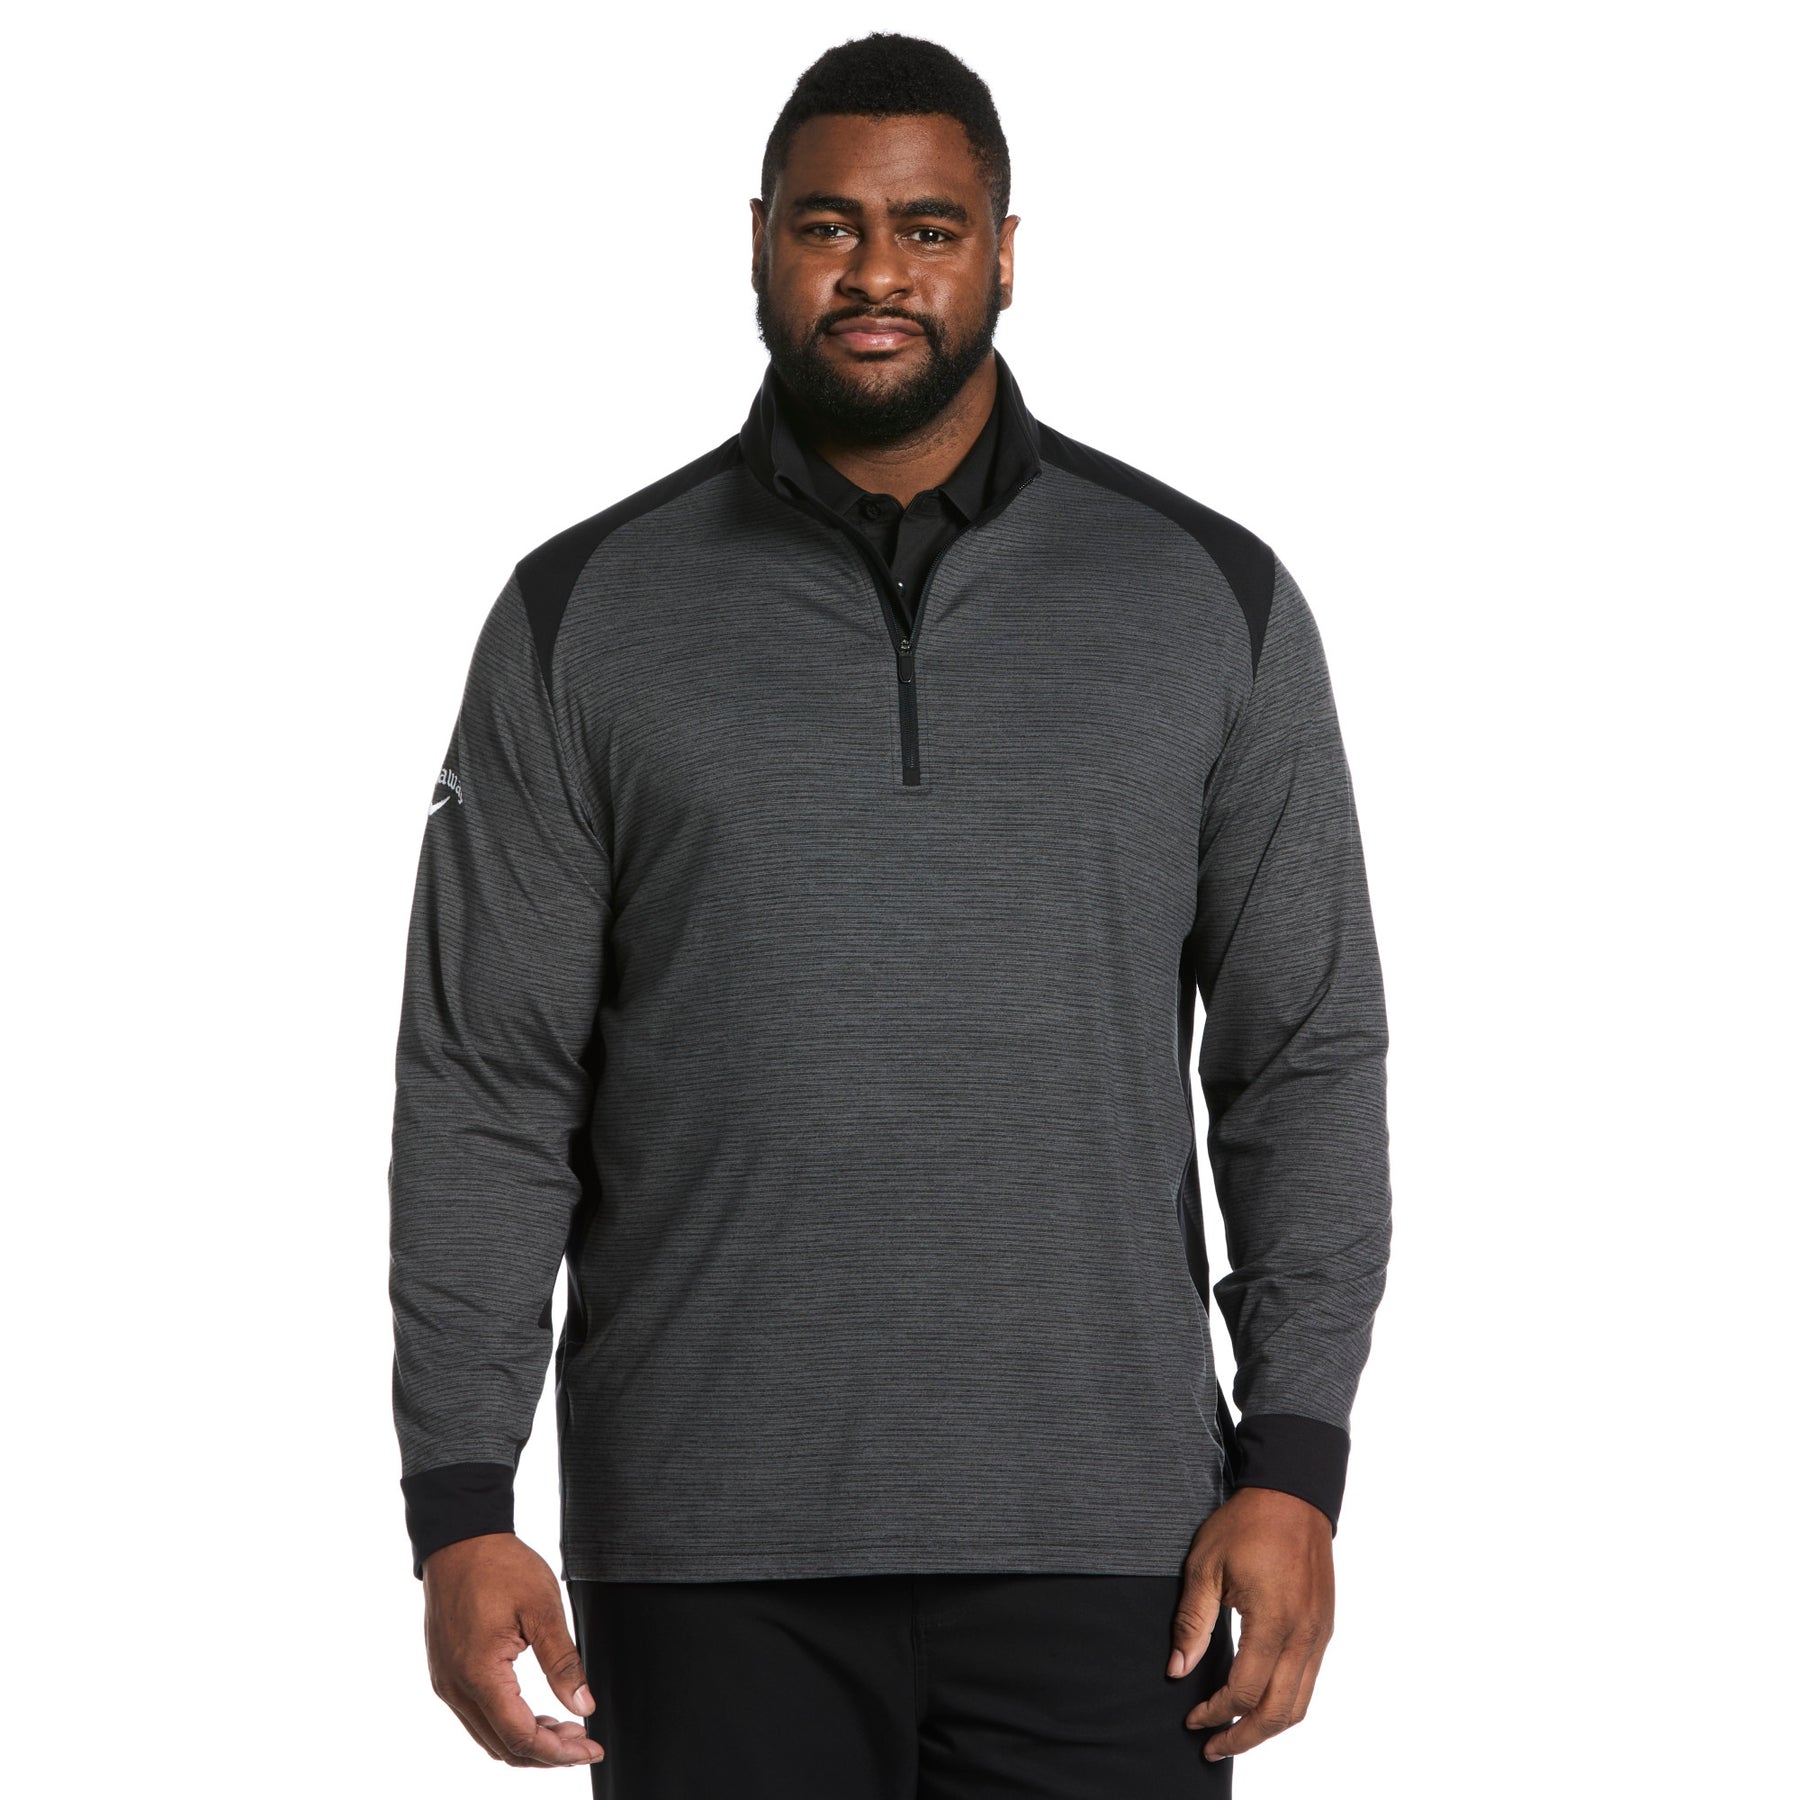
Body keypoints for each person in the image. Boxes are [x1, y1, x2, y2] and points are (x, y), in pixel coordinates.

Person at [387, 31, 1392, 1797]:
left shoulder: (1206, 602)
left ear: (1005, 252)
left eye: (928, 230)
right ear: (758, 243)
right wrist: (461, 1500)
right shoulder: (582, 615)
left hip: (1117, 1544)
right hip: (705, 1548)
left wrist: (1297, 1461)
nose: (876, 273)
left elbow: (1301, 1054)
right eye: (828, 225)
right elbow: (488, 1077)